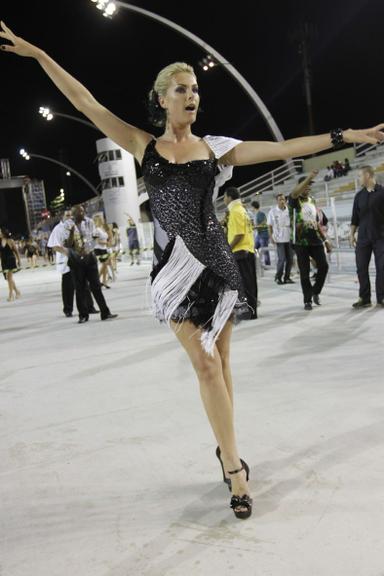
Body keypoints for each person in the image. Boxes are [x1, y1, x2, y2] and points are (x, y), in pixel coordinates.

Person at [3, 20, 383, 520]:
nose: (192, 96)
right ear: (162, 99)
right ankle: (234, 468)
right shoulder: (144, 146)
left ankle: (228, 452)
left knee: (222, 367)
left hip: (217, 266)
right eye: (182, 89)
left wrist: (345, 135)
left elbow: (286, 148)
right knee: (205, 365)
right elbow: (85, 103)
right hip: (174, 272)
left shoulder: (217, 147)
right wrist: (38, 54)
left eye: (196, 89)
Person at [289, 171, 332, 310]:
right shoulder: (295, 201)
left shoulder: (312, 200)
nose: (308, 188)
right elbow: (294, 193)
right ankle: (307, 300)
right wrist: (308, 178)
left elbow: (316, 222)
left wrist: (325, 239)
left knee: (324, 266)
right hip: (300, 241)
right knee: (305, 271)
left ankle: (315, 292)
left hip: (315, 240)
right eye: (306, 185)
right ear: (301, 186)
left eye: (309, 186)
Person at [47, 208, 99, 318]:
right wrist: (70, 253)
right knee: (68, 287)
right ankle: (68, 309)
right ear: (63, 217)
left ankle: (90, 307)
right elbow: (54, 246)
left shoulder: (76, 226)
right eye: (67, 215)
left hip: (80, 260)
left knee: (84, 285)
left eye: (71, 215)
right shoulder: (58, 229)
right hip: (66, 262)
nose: (70, 217)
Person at [350, 165, 384, 308]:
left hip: (380, 237)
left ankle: (381, 298)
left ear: (368, 175)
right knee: (361, 268)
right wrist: (351, 234)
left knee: (382, 268)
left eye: (360, 176)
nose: (358, 179)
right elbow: (354, 218)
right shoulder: (359, 196)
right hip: (363, 237)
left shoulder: (382, 192)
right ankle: (365, 298)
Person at [223, 187, 257, 319]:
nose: (224, 199)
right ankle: (251, 311)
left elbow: (238, 234)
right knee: (250, 283)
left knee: (245, 284)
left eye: (225, 196)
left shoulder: (236, 211)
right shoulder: (242, 210)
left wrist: (228, 249)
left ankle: (249, 312)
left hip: (240, 251)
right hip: (247, 250)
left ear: (230, 197)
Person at [267, 194, 294, 285]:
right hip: (278, 238)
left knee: (290, 259)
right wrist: (271, 237)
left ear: (285, 200)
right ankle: (278, 277)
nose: (282, 201)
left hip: (289, 237)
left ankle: (287, 277)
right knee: (282, 259)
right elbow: (269, 226)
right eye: (280, 199)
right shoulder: (273, 211)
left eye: (283, 199)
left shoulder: (289, 210)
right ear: (277, 201)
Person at [0, 227, 21, 301]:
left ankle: (10, 295)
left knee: (9, 278)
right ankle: (17, 292)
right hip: (4, 261)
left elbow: (16, 251)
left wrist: (19, 260)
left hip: (10, 260)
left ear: (3, 233)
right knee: (9, 279)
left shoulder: (10, 240)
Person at [93, 214, 111, 288]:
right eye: (101, 219)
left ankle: (104, 282)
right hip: (98, 249)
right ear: (98, 220)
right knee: (104, 264)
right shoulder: (96, 230)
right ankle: (96, 281)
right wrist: (106, 243)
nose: (103, 220)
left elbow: (107, 237)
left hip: (104, 249)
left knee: (105, 265)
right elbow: (97, 241)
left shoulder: (102, 228)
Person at [251, 200, 271, 267]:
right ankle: (258, 260)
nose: (252, 209)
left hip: (264, 235)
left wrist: (255, 227)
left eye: (252, 207)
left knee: (265, 250)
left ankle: (267, 264)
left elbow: (264, 224)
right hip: (259, 235)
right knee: (255, 248)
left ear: (253, 207)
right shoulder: (256, 215)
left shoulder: (261, 214)